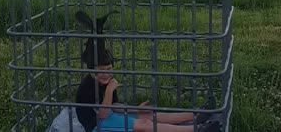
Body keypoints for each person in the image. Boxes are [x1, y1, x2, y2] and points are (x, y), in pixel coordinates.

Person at [75, 48, 220, 132]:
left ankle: (196, 115)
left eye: (109, 69)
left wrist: (134, 110)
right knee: (144, 125)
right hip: (97, 126)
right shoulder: (87, 87)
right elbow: (103, 115)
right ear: (91, 70)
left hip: (109, 116)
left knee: (150, 115)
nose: (106, 73)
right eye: (101, 70)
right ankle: (196, 130)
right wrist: (109, 91)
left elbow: (115, 107)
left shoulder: (106, 81)